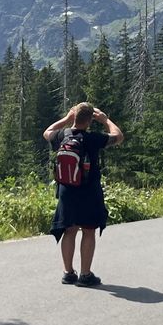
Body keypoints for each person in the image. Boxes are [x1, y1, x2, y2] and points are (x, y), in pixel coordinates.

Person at [44, 102, 124, 286]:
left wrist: (66, 118)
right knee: (88, 231)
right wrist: (105, 120)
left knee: (69, 230)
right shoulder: (92, 138)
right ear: (89, 121)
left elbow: (46, 131)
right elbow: (118, 136)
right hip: (88, 190)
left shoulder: (61, 135)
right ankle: (85, 275)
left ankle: (68, 272)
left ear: (74, 116)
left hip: (66, 190)